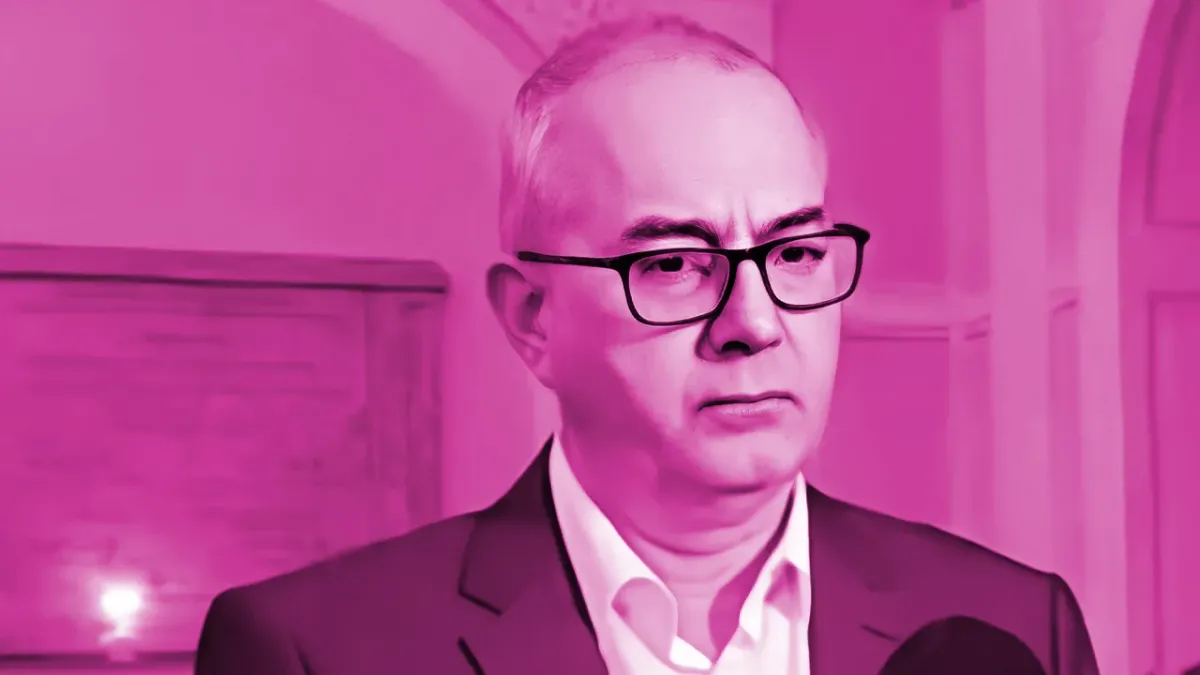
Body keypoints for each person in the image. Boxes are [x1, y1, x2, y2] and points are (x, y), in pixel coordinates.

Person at [195, 14, 1099, 675]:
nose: (754, 322)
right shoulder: (318, 651)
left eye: (793, 253)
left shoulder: (1012, 626)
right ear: (533, 318)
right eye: (674, 264)